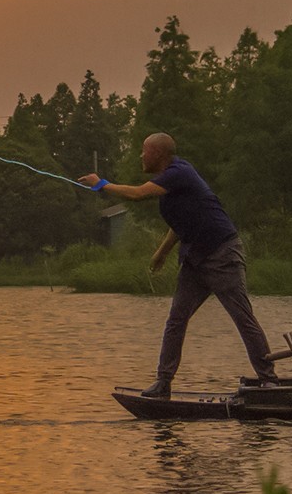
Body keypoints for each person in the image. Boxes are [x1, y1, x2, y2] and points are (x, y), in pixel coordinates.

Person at [80, 133, 281, 397]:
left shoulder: (179, 172)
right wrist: (161, 253)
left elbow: (138, 194)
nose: (141, 156)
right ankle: (163, 382)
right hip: (194, 259)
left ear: (159, 155)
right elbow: (181, 224)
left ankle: (269, 380)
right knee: (176, 320)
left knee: (242, 317)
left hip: (222, 253)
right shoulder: (171, 185)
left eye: (145, 151)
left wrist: (100, 184)